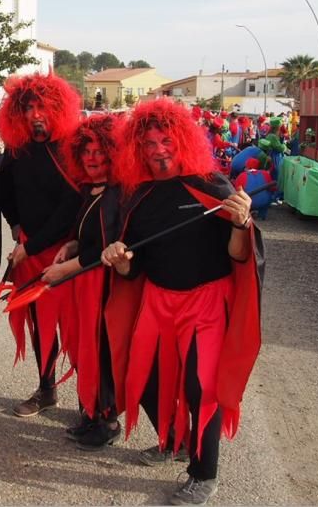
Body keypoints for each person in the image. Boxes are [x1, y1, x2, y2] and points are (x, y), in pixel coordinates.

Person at [101, 98, 263, 506]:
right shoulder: (135, 198)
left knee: (198, 386)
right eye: (149, 143)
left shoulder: (211, 184)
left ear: (182, 140)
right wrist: (119, 260)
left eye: (166, 140)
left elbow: (240, 256)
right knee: (143, 379)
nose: (158, 150)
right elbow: (132, 271)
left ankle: (204, 472)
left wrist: (242, 223)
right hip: (157, 300)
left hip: (207, 303)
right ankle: (172, 441)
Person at [41, 113, 133, 450]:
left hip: (103, 288)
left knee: (102, 351)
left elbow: (105, 249)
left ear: (112, 153)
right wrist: (70, 244)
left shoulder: (116, 194)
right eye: (87, 152)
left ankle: (107, 420)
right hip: (85, 283)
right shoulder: (92, 190)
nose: (92, 158)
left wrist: (64, 270)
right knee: (86, 349)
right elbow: (87, 237)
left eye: (99, 152)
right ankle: (91, 412)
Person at [0, 70, 81, 417]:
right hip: (29, 251)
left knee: (77, 328)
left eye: (43, 107)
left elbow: (69, 209)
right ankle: (47, 388)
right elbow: (5, 191)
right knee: (40, 326)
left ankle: (93, 404)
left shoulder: (70, 149)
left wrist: (29, 248)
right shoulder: (17, 151)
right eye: (29, 107)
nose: (36, 115)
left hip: (67, 254)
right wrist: (16, 227)